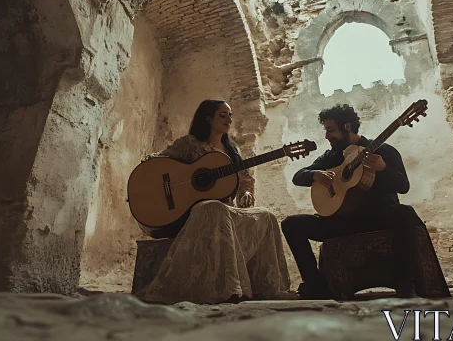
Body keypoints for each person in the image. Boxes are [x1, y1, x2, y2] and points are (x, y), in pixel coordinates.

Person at [136, 99, 292, 304]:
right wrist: (158, 172)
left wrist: (246, 193)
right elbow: (159, 159)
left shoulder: (232, 151)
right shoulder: (189, 144)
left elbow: (245, 179)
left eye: (230, 115)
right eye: (223, 114)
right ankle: (226, 289)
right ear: (208, 118)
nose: (229, 119)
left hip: (225, 211)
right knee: (213, 207)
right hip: (195, 212)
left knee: (266, 215)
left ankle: (267, 287)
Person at [281, 104, 421, 299]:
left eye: (330, 130)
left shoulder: (383, 150)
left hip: (378, 216)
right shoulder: (331, 156)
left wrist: (383, 169)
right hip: (341, 222)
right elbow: (298, 176)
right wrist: (314, 174)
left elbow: (403, 186)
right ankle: (316, 285)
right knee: (291, 224)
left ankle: (405, 282)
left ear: (347, 126)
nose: (327, 136)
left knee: (404, 212)